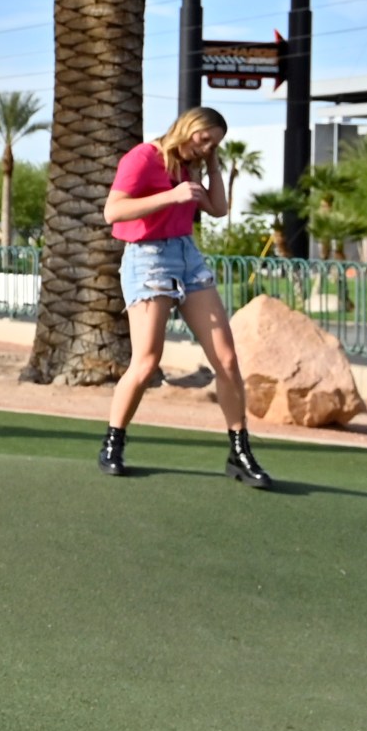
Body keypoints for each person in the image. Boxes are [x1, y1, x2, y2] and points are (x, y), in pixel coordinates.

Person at [100, 107, 271, 487]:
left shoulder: (193, 166)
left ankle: (239, 453)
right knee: (146, 361)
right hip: (147, 257)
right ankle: (113, 442)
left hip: (187, 255)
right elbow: (113, 211)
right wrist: (171, 197)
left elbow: (218, 209)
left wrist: (211, 165)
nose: (207, 147)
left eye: (215, 144)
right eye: (204, 139)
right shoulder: (144, 157)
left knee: (226, 358)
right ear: (187, 127)